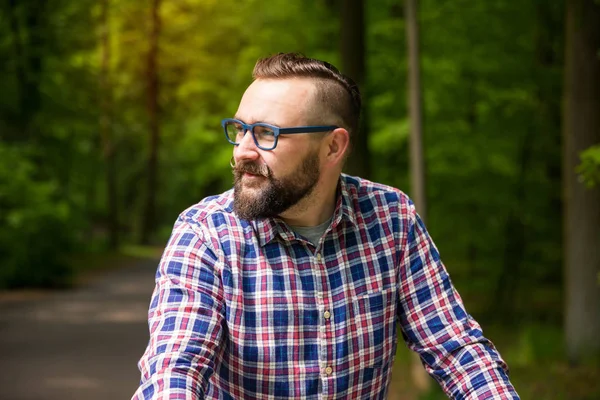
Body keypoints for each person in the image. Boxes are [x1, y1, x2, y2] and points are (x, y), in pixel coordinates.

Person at [132, 53, 519, 399]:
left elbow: (456, 348)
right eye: (239, 129)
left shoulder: (391, 218)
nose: (242, 151)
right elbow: (174, 369)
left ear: (333, 147)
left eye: (267, 133)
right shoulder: (206, 233)